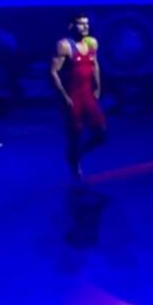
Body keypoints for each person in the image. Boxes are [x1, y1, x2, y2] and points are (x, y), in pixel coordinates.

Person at [50, 14, 106, 181]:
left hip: (88, 94)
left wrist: (98, 86)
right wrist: (64, 96)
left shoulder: (92, 43)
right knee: (75, 134)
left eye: (87, 23)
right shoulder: (64, 46)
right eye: (81, 24)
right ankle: (75, 164)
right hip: (73, 96)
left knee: (101, 132)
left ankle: (77, 154)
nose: (85, 27)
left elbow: (95, 64)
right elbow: (53, 72)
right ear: (71, 26)